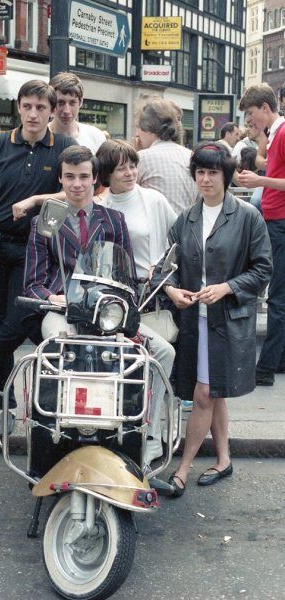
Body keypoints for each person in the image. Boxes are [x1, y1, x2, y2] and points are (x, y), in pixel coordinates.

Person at [0, 80, 76, 434]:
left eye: (41, 107)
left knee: (17, 323)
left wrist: (37, 201)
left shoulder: (65, 147)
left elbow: (80, 188)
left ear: (52, 111)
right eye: (27, 106)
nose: (34, 113)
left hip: (37, 252)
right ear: (18, 108)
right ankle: (5, 405)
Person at [151, 142, 272, 496]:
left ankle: (182, 470)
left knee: (203, 393)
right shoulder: (186, 217)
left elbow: (263, 268)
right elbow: (166, 267)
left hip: (227, 319)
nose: (205, 179)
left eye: (213, 172)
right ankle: (223, 458)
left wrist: (228, 287)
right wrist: (172, 290)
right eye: (200, 172)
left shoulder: (248, 216)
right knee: (212, 390)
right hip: (194, 321)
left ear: (227, 175)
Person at [96, 139, 177, 464]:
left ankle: (153, 435)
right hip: (116, 303)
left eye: (132, 164)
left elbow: (178, 235)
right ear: (106, 174)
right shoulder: (101, 206)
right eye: (120, 168)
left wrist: (166, 272)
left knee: (159, 359)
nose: (129, 172)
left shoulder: (152, 199)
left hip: (151, 297)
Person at [23, 145, 134, 334]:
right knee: (62, 341)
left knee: (164, 351)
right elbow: (33, 285)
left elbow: (127, 278)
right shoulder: (44, 221)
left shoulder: (115, 220)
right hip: (61, 310)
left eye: (83, 176)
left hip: (105, 310)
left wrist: (123, 307)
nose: (77, 184)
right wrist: (52, 298)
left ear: (94, 178)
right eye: (69, 176)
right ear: (60, 178)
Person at [237, 83, 285, 386]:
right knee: (277, 293)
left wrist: (259, 181)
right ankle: (275, 361)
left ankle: (265, 368)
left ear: (265, 109)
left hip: (279, 221)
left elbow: (271, 174)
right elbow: (267, 164)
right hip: (276, 218)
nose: (250, 120)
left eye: (253, 114)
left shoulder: (282, 132)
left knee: (277, 297)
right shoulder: (276, 133)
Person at [135, 98, 198, 215]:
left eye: (138, 127)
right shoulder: (190, 155)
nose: (136, 133)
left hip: (157, 229)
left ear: (149, 127)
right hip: (187, 228)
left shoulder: (142, 158)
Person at [49, 72, 106, 153]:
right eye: (60, 102)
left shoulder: (97, 136)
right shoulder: (40, 136)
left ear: (81, 102)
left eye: (72, 103)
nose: (66, 111)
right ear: (52, 102)